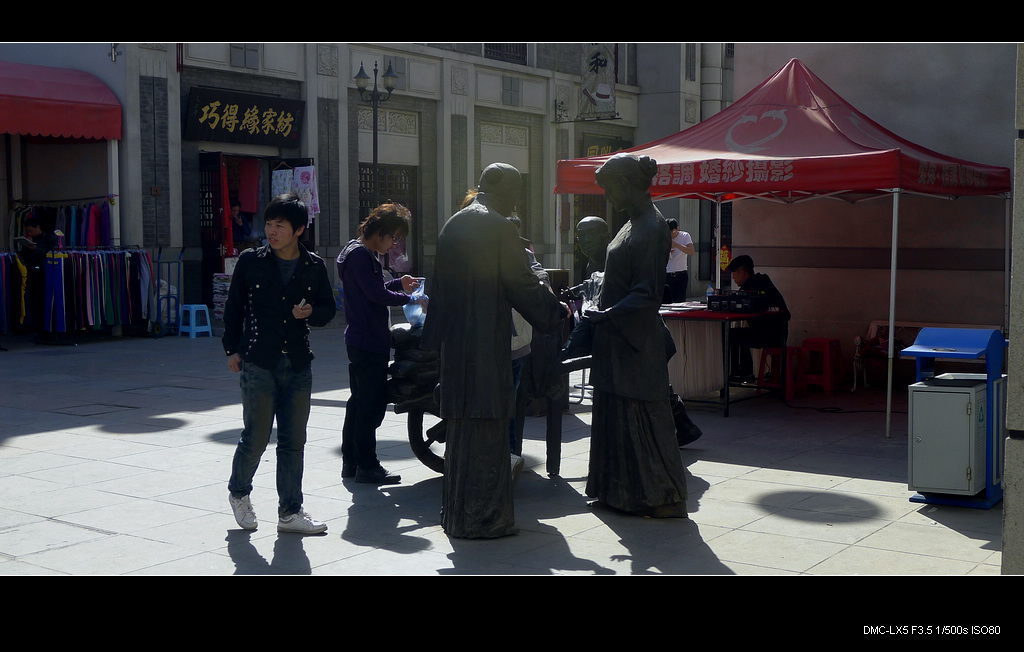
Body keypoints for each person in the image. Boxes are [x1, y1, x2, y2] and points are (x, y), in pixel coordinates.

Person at [422, 163, 567, 539]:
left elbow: (438, 292)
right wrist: (556, 312)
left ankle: (458, 514)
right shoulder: (500, 227)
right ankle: (485, 518)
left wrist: (432, 344)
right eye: (516, 192)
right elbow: (522, 285)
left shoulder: (454, 224)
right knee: (488, 426)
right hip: (487, 347)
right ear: (505, 192)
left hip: (457, 350)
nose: (516, 201)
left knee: (463, 430)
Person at [581, 152, 688, 518]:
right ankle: (619, 492)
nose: (608, 196)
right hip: (617, 337)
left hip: (636, 340)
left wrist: (608, 313)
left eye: (610, 188)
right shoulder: (632, 223)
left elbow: (647, 293)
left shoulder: (651, 227)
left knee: (645, 418)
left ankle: (664, 497)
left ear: (626, 184)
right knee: (616, 415)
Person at [223, 193, 337, 534]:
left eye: (280, 225)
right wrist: (232, 350)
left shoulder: (314, 266)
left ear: (299, 230)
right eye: (269, 224)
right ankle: (239, 493)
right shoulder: (251, 261)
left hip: (298, 363)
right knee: (256, 437)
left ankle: (290, 512)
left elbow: (327, 310)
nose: (271, 231)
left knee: (293, 441)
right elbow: (234, 308)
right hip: (259, 361)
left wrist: (310, 312)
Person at [336, 202, 424, 485]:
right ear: (380, 231)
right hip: (368, 340)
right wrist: (412, 299)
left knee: (358, 403)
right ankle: (367, 465)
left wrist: (399, 284)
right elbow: (375, 295)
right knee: (369, 406)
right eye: (394, 237)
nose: (395, 244)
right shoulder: (361, 255)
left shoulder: (355, 252)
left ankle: (351, 462)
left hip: (362, 339)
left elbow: (372, 289)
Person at [725, 254, 791, 383]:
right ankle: (746, 372)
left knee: (731, 335)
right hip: (780, 333)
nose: (733, 277)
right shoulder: (764, 281)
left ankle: (739, 373)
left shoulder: (750, 287)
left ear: (743, 273)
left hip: (768, 335)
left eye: (734, 274)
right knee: (739, 334)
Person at [663, 218, 694, 303]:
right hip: (667, 274)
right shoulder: (663, 237)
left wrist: (677, 245)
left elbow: (691, 251)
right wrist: (667, 251)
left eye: (673, 232)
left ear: (677, 229)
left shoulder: (685, 236)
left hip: (681, 274)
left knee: (680, 302)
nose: (671, 235)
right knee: (666, 301)